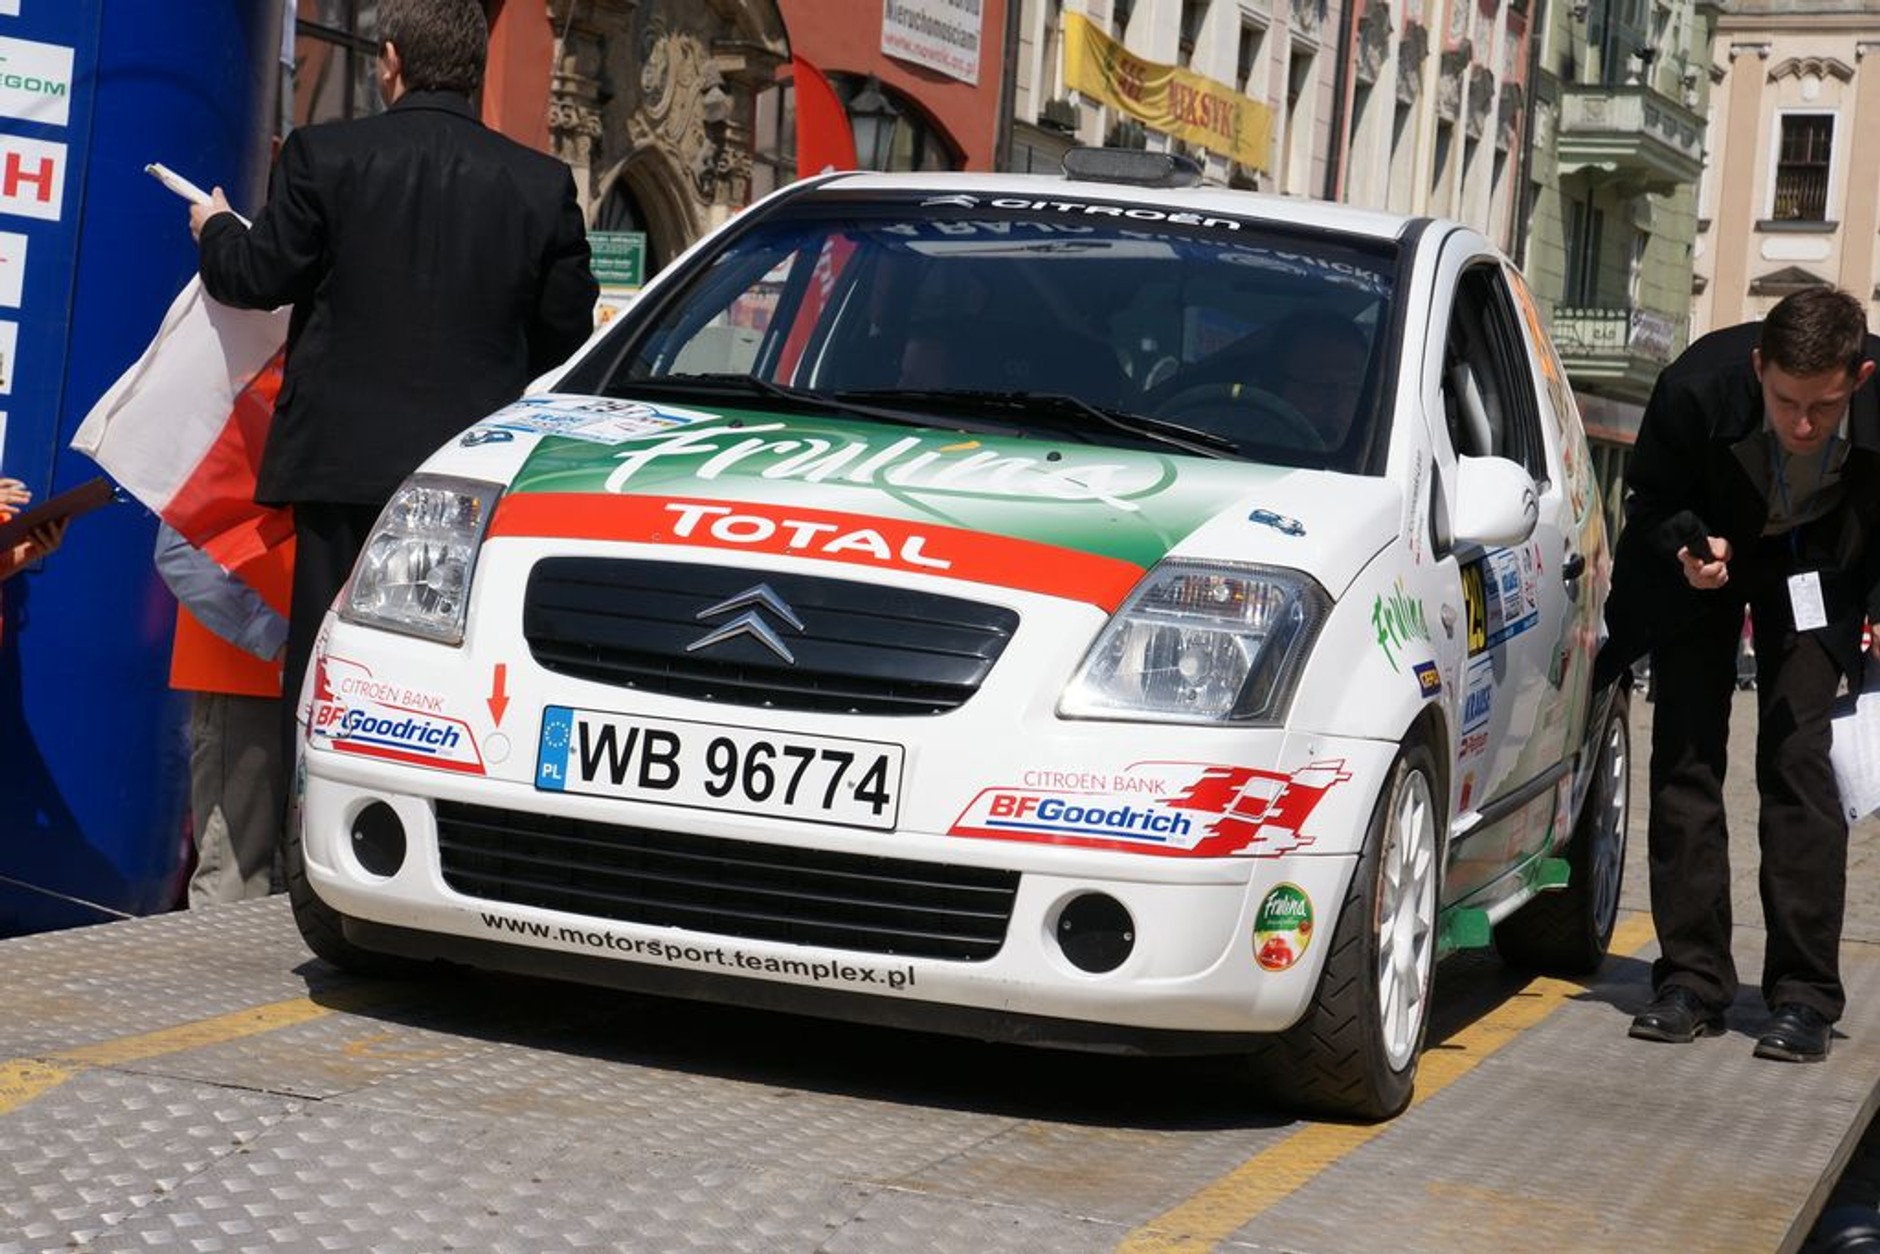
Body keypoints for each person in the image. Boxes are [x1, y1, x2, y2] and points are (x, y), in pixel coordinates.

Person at [187, 0, 597, 748]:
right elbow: (565, 335)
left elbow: (255, 275)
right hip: (463, 477)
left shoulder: (324, 156)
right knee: (427, 676)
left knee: (325, 670)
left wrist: (213, 227)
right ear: (472, 70)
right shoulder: (540, 185)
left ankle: (302, 851)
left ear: (391, 59)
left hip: (340, 468)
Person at [1597, 285, 1880, 1063]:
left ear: (1856, 379)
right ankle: (1690, 980)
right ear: (1758, 367)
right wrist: (1689, 548)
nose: (1800, 425)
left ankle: (1804, 997)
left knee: (1799, 763)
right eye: (1785, 400)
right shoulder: (1694, 386)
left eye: (1822, 409)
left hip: (1818, 569)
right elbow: (1651, 503)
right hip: (1708, 565)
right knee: (1685, 755)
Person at [154, 523, 293, 907]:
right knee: (234, 881)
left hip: (333, 680)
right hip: (244, 679)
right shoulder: (234, 461)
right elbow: (181, 550)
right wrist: (277, 638)